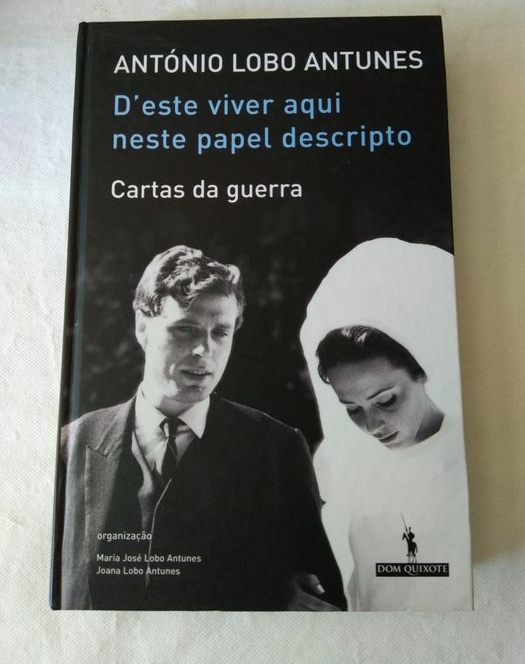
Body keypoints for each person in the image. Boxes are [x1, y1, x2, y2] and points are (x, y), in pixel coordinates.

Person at [56, 245, 345, 611]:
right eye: (185, 329)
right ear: (142, 327)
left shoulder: (278, 450)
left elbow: (323, 601)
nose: (203, 350)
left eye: (220, 332)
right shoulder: (72, 443)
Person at [300, 238, 472, 611]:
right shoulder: (339, 461)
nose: (372, 425)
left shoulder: (478, 456)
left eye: (386, 400)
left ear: (422, 373)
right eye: (352, 409)